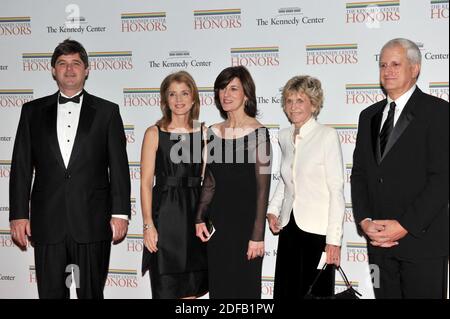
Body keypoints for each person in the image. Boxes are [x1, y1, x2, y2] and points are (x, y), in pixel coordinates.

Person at [9, 39, 131, 299]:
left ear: (87, 69)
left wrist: (120, 213)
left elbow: (119, 168)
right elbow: (20, 167)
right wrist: (18, 214)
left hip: (92, 220)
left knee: (91, 294)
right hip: (47, 222)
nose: (69, 69)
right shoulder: (31, 112)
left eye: (76, 63)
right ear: (53, 70)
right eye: (62, 64)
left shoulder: (107, 112)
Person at [351, 38, 449, 298]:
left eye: (396, 64)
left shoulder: (438, 112)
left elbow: (442, 179)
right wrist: (364, 220)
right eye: (383, 64)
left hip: (422, 243)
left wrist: (405, 224)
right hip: (379, 246)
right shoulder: (367, 116)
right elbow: (359, 174)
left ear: (415, 68)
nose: (388, 70)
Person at [195, 66, 272, 298]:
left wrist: (258, 235)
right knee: (219, 289)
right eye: (221, 89)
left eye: (233, 88)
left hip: (246, 226)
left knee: (244, 291)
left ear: (246, 94)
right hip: (218, 226)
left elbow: (262, 189)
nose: (225, 94)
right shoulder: (213, 132)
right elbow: (210, 180)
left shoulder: (260, 134)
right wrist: (200, 216)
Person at [266, 75, 345, 299]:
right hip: (289, 228)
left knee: (314, 295)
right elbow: (286, 178)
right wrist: (273, 210)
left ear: (313, 103)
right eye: (289, 101)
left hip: (317, 232)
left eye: (300, 100)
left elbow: (336, 190)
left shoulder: (326, 136)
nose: (293, 106)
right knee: (286, 292)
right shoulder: (284, 136)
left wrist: (334, 240)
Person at [141, 71, 208, 299]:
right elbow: (146, 182)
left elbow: (209, 180)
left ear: (193, 99)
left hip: (194, 217)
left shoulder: (205, 133)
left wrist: (207, 218)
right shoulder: (154, 133)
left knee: (191, 292)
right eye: (172, 94)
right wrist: (148, 224)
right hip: (165, 216)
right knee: (166, 289)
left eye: (184, 93)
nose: (178, 100)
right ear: (165, 100)